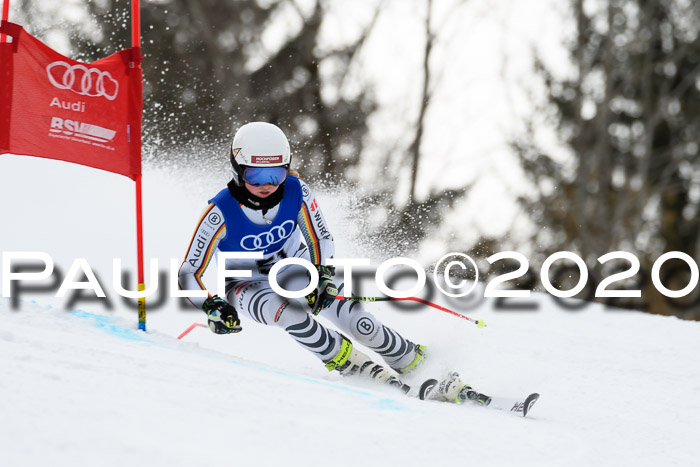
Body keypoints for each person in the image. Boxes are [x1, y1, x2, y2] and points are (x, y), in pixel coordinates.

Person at [178, 122, 427, 392]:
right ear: (238, 170)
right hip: (245, 285)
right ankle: (347, 362)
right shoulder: (220, 213)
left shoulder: (297, 191)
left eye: (275, 175)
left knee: (359, 322)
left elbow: (320, 238)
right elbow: (188, 272)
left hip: (294, 268)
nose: (266, 186)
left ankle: (413, 360)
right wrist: (211, 305)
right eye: (255, 176)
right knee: (290, 314)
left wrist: (323, 274)